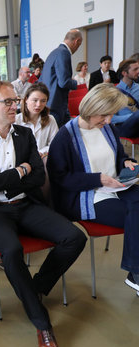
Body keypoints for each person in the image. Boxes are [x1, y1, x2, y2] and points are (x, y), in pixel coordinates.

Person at [0, 81, 86, 347]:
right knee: (12, 251)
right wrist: (20, 170)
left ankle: (35, 288)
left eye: (15, 101)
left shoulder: (25, 134)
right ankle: (43, 327)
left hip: (25, 204)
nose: (14, 106)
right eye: (7, 102)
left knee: (74, 237)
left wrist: (4, 177)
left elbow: (37, 176)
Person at [47, 83, 139, 295]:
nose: (108, 121)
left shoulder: (107, 129)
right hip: (85, 196)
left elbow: (118, 157)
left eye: (111, 116)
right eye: (104, 116)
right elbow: (60, 178)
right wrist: (98, 179)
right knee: (134, 213)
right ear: (90, 108)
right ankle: (135, 273)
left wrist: (126, 162)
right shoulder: (65, 137)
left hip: (113, 186)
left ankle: (135, 273)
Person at [40, 29, 83, 127]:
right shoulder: (64, 53)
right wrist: (76, 83)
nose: (77, 49)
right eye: (79, 45)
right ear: (77, 41)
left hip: (49, 102)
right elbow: (63, 82)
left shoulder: (54, 52)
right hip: (57, 104)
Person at [15, 83, 59, 158]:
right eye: (35, 100)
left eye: (43, 101)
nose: (38, 104)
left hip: (42, 159)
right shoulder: (16, 120)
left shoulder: (50, 119)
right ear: (26, 100)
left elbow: (55, 144)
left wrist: (41, 152)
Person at [111, 59, 139, 138]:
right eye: (135, 69)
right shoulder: (114, 92)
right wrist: (132, 116)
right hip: (123, 127)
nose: (138, 71)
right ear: (124, 73)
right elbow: (112, 118)